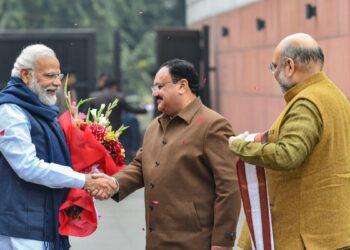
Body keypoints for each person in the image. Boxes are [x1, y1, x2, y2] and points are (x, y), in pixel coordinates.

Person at [94, 59, 241, 249]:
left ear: (182, 86)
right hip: (157, 241)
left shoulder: (212, 125)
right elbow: (140, 165)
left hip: (194, 242)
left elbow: (229, 187)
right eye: (153, 87)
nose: (154, 93)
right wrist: (113, 184)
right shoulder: (155, 126)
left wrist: (222, 242)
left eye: (160, 86)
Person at [229, 33, 350, 249]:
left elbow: (288, 155)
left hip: (306, 236)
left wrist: (240, 145)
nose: (273, 73)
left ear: (290, 66)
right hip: (331, 231)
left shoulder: (307, 102)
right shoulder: (335, 96)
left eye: (273, 66)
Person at [0, 44, 117, 250]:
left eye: (59, 75)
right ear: (26, 75)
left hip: (45, 220)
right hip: (23, 227)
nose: (57, 82)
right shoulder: (11, 111)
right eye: (50, 76)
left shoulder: (41, 108)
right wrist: (83, 180)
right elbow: (28, 166)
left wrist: (93, 169)